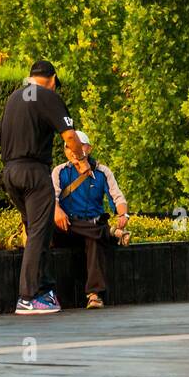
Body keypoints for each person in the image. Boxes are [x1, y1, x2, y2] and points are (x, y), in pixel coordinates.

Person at [0, 59, 88, 315]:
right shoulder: (46, 96)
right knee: (39, 232)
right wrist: (81, 160)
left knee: (36, 229)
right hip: (34, 172)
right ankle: (28, 297)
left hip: (10, 172)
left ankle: (44, 291)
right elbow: (70, 136)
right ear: (53, 78)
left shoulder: (14, 98)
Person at [52, 130, 129, 310]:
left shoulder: (103, 172)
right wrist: (57, 211)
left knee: (94, 237)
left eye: (78, 146)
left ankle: (94, 295)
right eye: (68, 147)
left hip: (90, 226)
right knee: (95, 231)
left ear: (89, 148)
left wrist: (123, 215)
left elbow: (118, 198)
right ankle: (108, 232)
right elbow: (51, 199)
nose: (72, 150)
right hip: (67, 228)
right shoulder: (59, 171)